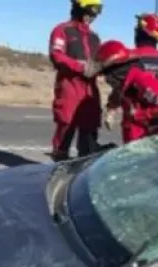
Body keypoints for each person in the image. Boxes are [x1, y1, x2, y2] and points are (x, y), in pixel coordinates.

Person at [95, 40, 158, 143]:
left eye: (106, 73)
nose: (107, 79)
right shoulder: (127, 84)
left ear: (116, 68)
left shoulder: (141, 79)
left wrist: (138, 115)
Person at [48, 0, 104, 161]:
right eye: (89, 12)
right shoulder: (62, 30)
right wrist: (81, 67)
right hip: (70, 87)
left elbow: (101, 61)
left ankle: (84, 169)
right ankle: (58, 165)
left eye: (95, 14)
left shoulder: (94, 37)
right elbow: (56, 55)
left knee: (90, 131)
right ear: (78, 9)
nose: (91, 17)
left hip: (90, 91)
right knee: (66, 125)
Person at [105, 13, 158, 135]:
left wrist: (111, 107)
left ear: (140, 32)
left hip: (135, 123)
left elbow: (119, 88)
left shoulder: (130, 57)